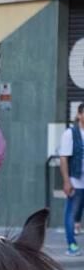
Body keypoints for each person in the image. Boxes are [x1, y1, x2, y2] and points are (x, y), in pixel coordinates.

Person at [59, 103, 84, 256]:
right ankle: (71, 244)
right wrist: (66, 181)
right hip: (76, 180)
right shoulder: (70, 133)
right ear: (79, 115)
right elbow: (63, 158)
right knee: (71, 212)